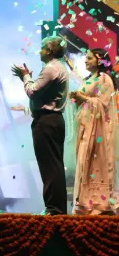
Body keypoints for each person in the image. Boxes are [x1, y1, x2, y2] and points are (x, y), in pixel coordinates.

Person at [12, 36, 69, 215]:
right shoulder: (59, 67)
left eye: (43, 47)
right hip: (53, 121)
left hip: (47, 122)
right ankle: (56, 209)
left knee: (49, 166)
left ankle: (54, 209)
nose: (40, 50)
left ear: (50, 51)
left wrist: (25, 76)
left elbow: (32, 91)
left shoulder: (51, 69)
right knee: (54, 165)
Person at [68, 48, 119, 215]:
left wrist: (83, 98)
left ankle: (99, 203)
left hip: (98, 132)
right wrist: (77, 98)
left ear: (99, 60)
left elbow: (103, 104)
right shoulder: (90, 79)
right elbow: (88, 100)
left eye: (89, 58)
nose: (85, 61)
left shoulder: (105, 79)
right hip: (86, 128)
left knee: (96, 164)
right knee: (84, 162)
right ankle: (85, 202)